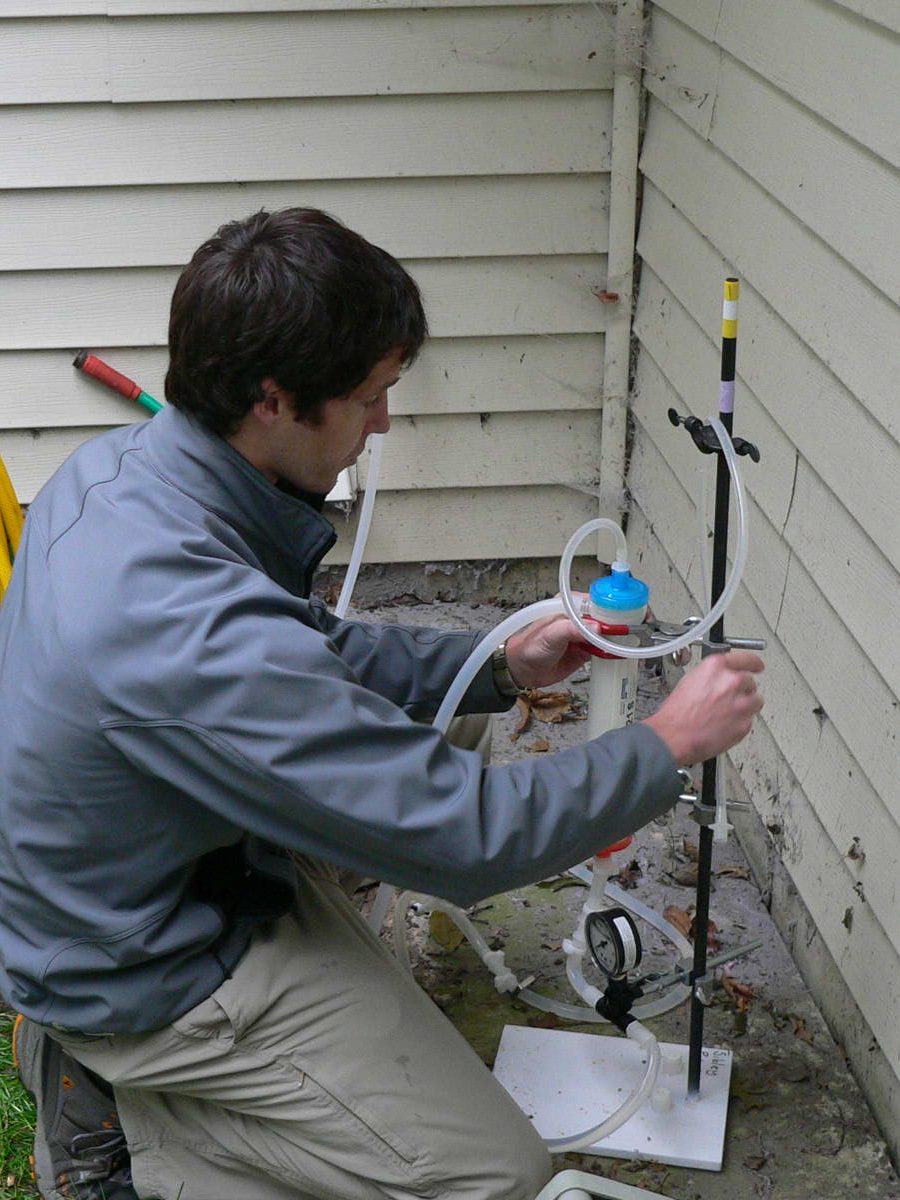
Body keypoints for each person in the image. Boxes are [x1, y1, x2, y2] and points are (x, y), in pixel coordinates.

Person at [0, 208, 763, 1200]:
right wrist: (665, 745)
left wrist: (504, 666)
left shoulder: (125, 472)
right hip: (150, 964)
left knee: (455, 713)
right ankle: (138, 1129)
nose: (385, 423)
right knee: (495, 1174)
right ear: (275, 400)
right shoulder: (180, 628)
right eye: (370, 398)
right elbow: (471, 840)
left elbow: (304, 649)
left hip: (150, 862)